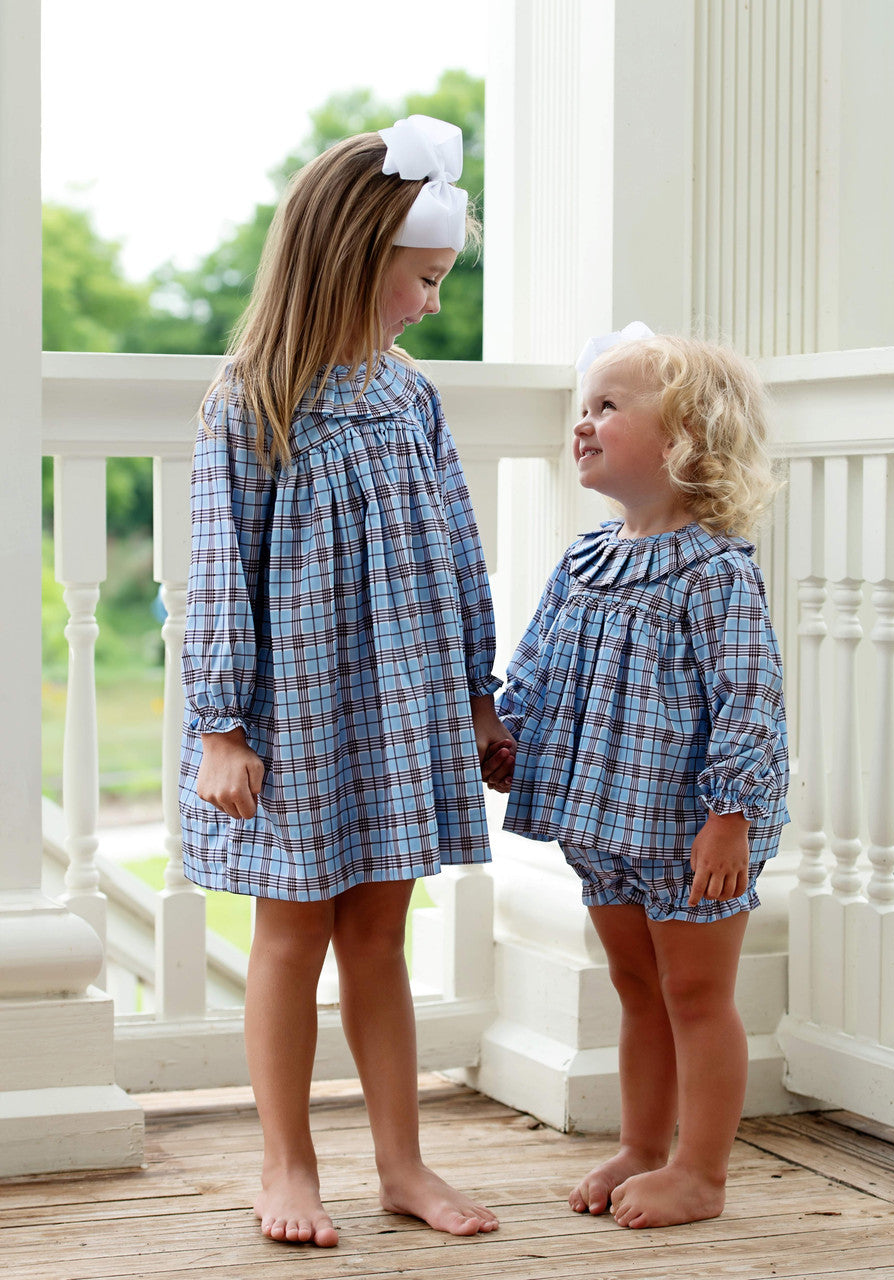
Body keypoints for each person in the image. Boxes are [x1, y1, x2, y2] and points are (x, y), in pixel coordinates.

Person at [179, 115, 514, 1248]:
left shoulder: (409, 398)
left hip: (404, 702)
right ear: (353, 256)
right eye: (422, 278)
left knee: (382, 935)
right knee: (292, 935)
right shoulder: (254, 397)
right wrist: (222, 723)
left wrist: (477, 690)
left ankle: (402, 1161)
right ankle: (286, 1159)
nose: (431, 302)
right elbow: (221, 568)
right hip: (302, 711)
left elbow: (458, 547)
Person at [494, 326, 789, 1230]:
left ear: (686, 435)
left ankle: (701, 1172)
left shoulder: (715, 572)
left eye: (608, 407)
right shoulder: (585, 559)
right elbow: (539, 671)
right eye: (581, 409)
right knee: (634, 986)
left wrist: (729, 814)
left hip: (693, 832)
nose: (583, 425)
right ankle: (641, 1145)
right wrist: (510, 736)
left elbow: (749, 699)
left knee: (696, 993)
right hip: (605, 823)